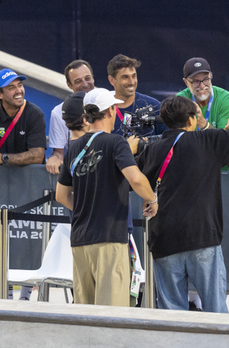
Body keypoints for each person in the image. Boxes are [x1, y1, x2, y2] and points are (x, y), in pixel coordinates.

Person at [137, 96, 229, 312]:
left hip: (164, 237)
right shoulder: (207, 139)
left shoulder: (152, 149)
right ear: (191, 119)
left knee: (172, 311)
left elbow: (139, 183)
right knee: (215, 310)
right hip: (202, 235)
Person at [55, 88, 158, 306]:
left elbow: (61, 196)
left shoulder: (72, 148)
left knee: (85, 312)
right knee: (112, 313)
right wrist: (153, 199)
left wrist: (88, 207)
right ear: (110, 111)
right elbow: (136, 179)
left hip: (80, 240)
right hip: (110, 239)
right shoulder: (117, 143)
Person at [0, 68, 47, 302]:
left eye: (20, 85)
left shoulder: (34, 113)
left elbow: (38, 155)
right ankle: (5, 291)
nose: (18, 91)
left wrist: (3, 159)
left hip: (30, 187)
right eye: (11, 87)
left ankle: (26, 296)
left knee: (28, 238)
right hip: (2, 186)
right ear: (0, 94)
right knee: (3, 239)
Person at [47, 60, 95, 174]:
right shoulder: (58, 112)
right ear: (69, 85)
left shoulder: (108, 103)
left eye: (87, 78)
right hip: (78, 174)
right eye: (78, 81)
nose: (85, 84)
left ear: (93, 78)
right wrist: (55, 157)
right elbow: (59, 152)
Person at [107, 54, 166, 137]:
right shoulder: (105, 110)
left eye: (133, 76)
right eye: (125, 77)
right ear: (112, 80)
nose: (131, 82)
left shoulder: (153, 105)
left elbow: (168, 138)